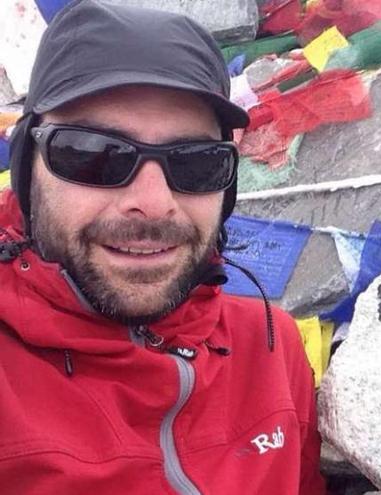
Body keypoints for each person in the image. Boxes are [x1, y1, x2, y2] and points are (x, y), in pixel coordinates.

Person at [0, 1, 325, 493]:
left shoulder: (270, 345)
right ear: (27, 169)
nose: (154, 204)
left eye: (195, 162)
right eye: (94, 155)